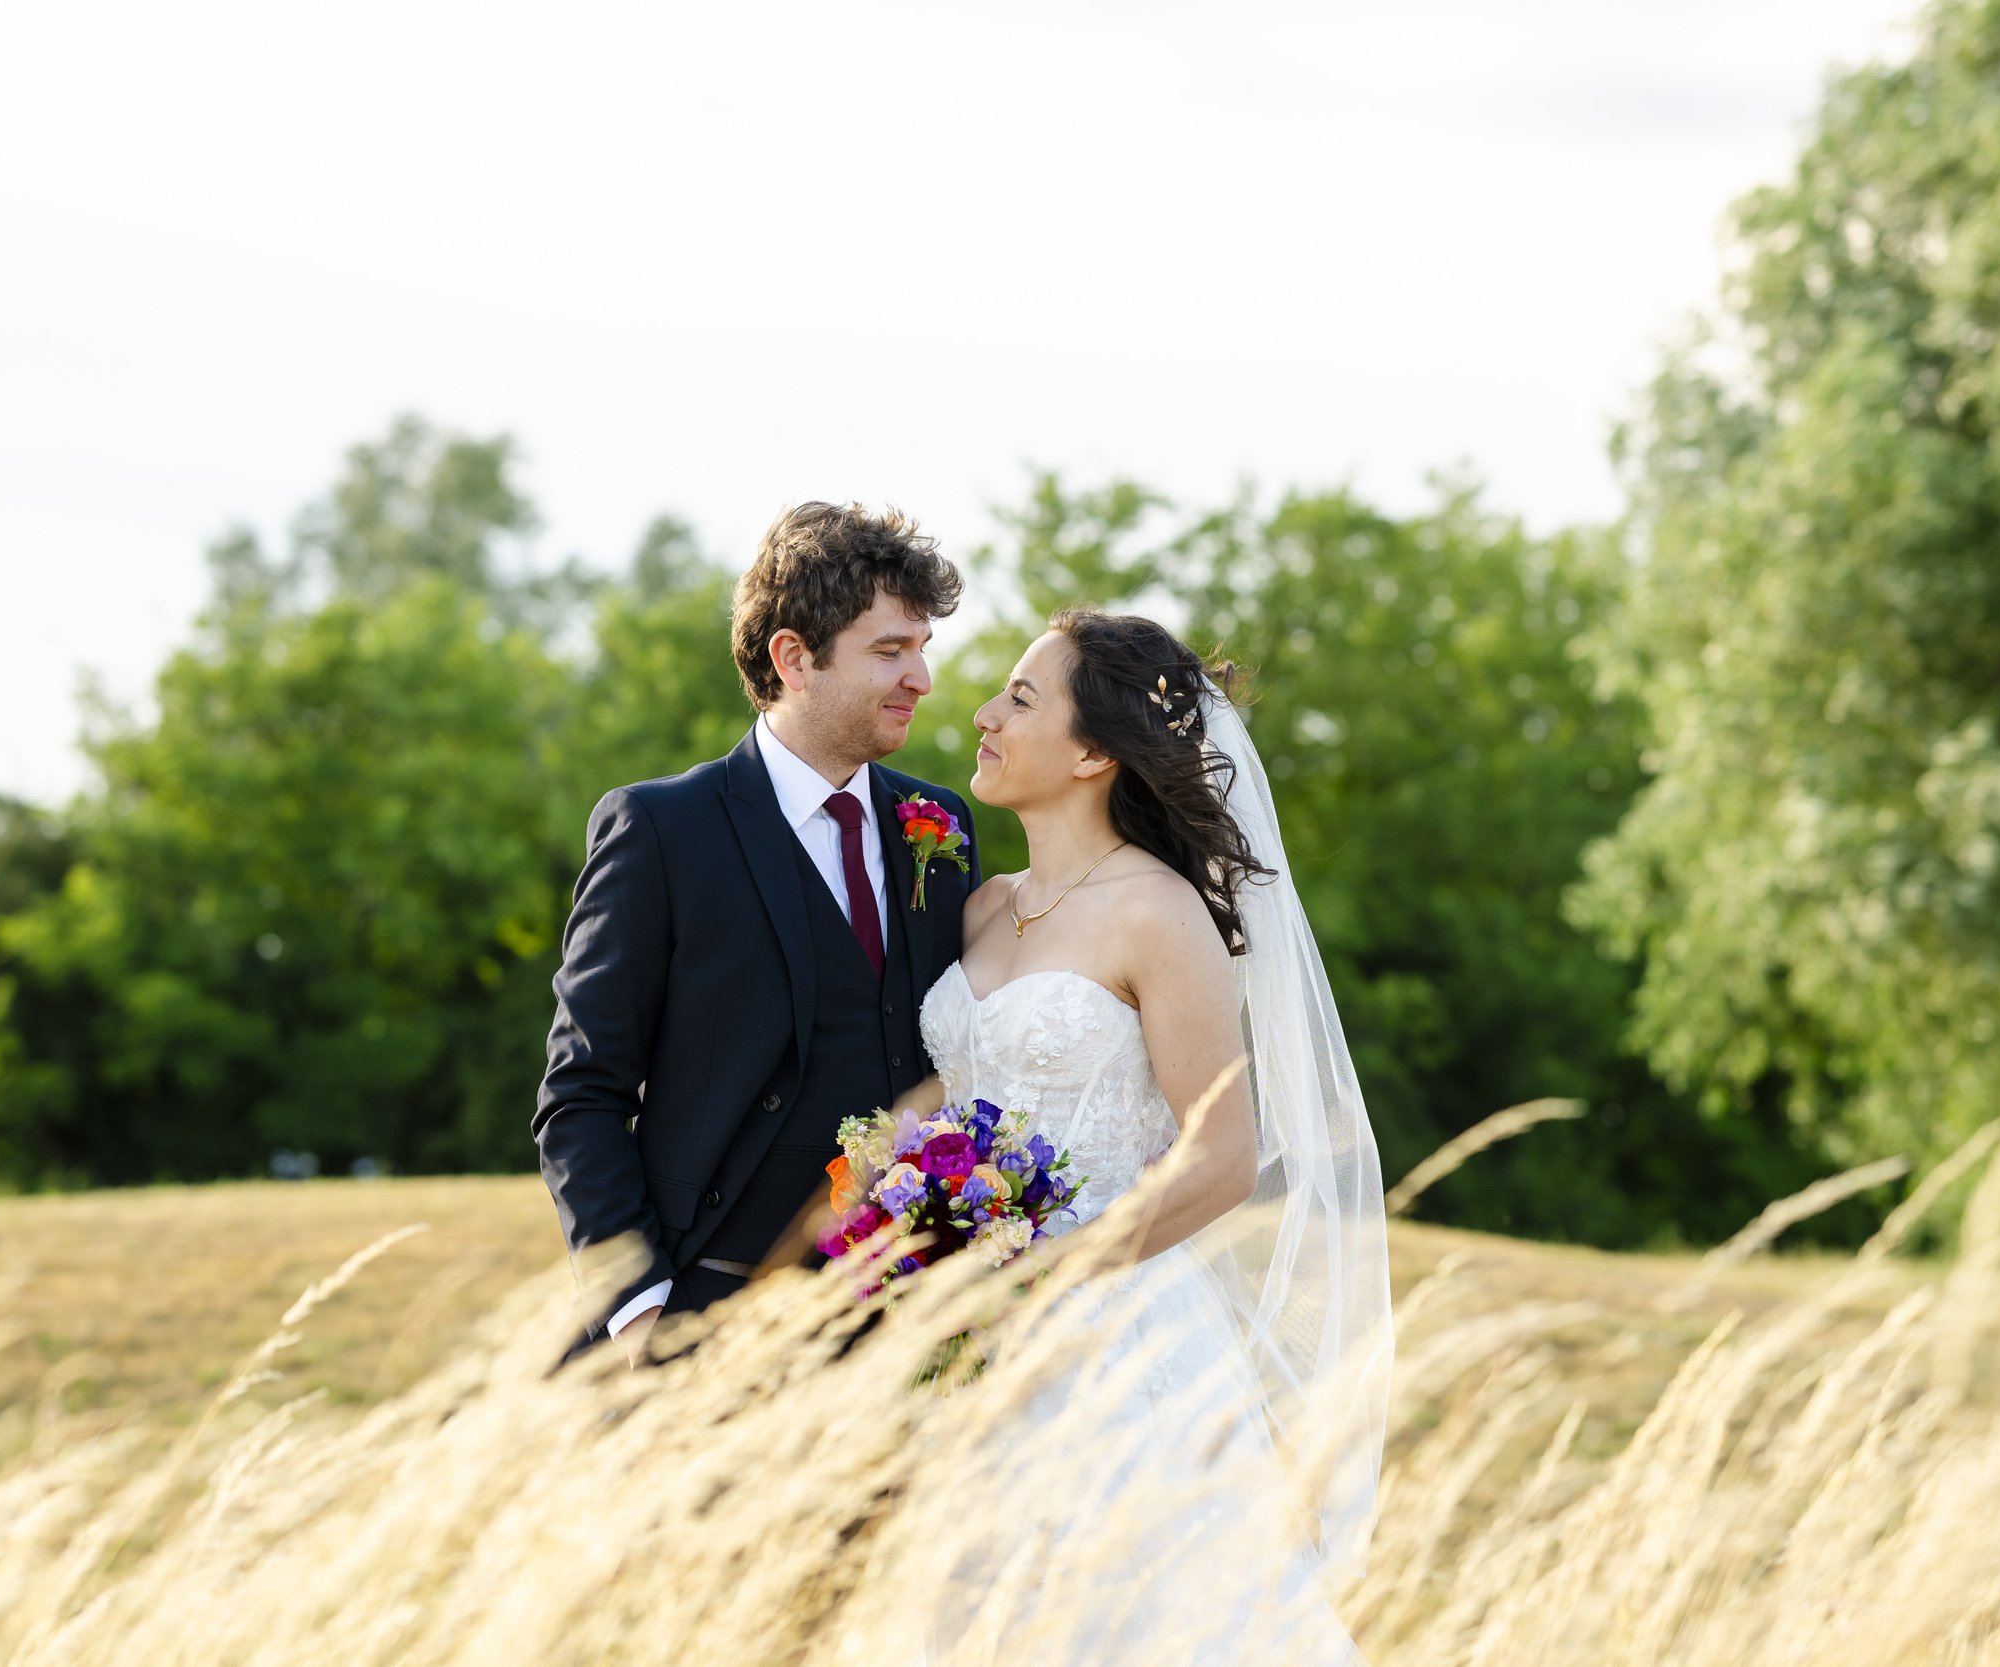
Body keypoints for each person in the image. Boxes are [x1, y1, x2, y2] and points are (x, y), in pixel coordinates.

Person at [910, 607, 1394, 1659]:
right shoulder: (981, 904)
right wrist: (886, 1205)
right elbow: (947, 1090)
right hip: (962, 1334)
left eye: (1020, 699)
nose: (984, 713)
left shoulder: (1158, 913)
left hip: (1111, 1337)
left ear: (1091, 751)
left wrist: (1040, 1278)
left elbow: (1219, 1160)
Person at [534, 501, 977, 1361]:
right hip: (705, 1314)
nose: (920, 677)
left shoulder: (941, 826)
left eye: (923, 648)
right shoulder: (663, 829)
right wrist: (640, 1307)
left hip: (905, 1327)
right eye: (890, 650)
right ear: (792, 657)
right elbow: (581, 1094)